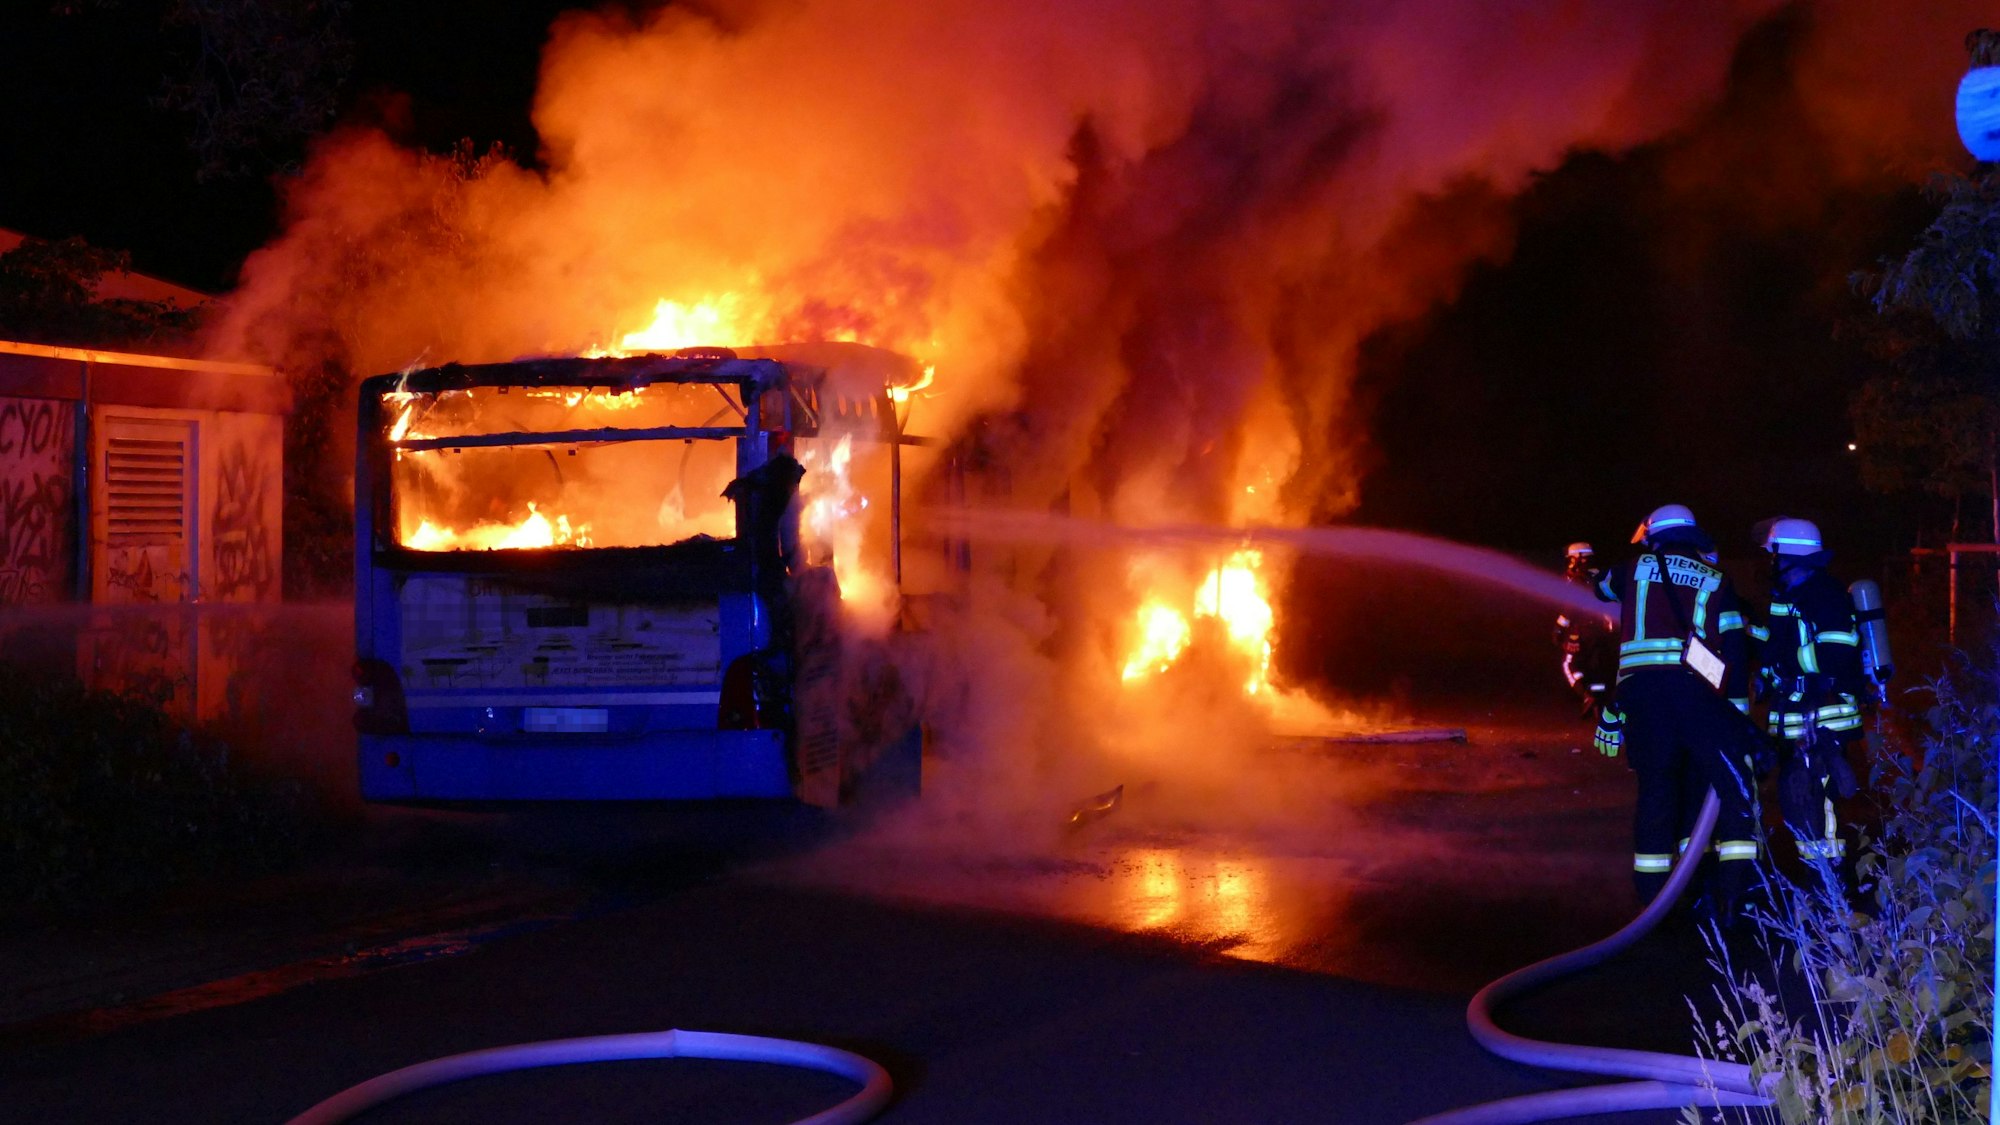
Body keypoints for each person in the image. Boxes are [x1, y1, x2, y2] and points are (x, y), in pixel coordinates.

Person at [1590, 504, 1771, 924]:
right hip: (1698, 697)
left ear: (1654, 536)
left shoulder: (1633, 568)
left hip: (1642, 696)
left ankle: (1653, 901)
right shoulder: (1716, 578)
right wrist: (1736, 717)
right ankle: (1731, 895)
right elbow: (1735, 647)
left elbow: (1601, 589)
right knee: (1724, 788)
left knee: (1656, 790)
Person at [1753, 517, 1865, 874]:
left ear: (1787, 554)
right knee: (1800, 799)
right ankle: (1819, 875)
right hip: (1799, 718)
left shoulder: (1825, 593)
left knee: (1816, 801)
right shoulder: (1789, 596)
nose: (1770, 561)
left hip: (1824, 720)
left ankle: (1830, 880)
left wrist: (1788, 664)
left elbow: (1837, 648)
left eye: (1774, 554)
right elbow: (1778, 649)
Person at [1552, 542, 1616, 719]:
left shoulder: (1576, 580)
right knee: (1596, 670)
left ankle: (1586, 696)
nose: (1569, 563)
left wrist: (1560, 630)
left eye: (1571, 559)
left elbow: (1570, 609)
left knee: (1569, 665)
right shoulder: (1599, 577)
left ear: (1578, 558)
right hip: (1601, 633)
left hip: (1580, 630)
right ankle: (1599, 705)